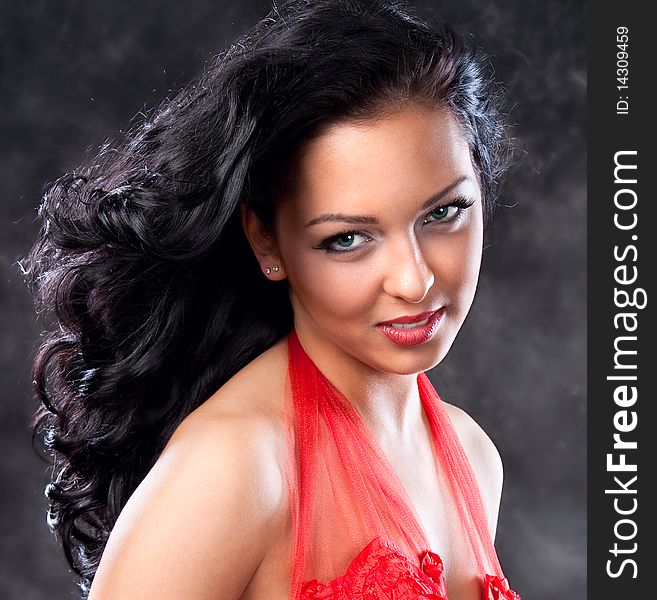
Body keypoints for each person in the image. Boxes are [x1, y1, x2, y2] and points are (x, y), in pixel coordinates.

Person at [22, 1, 518, 598]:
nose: (414, 281)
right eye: (347, 240)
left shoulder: (473, 457)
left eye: (444, 212)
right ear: (267, 241)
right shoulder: (236, 467)